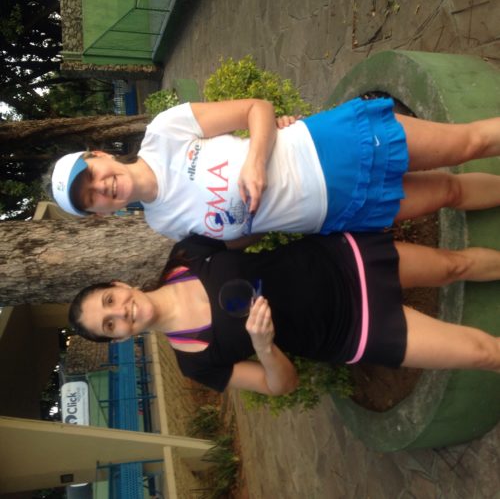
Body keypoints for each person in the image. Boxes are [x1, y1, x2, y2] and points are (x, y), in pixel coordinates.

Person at [69, 232, 500, 394]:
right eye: (110, 325)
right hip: (351, 330)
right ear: (120, 338)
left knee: (455, 265)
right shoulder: (195, 361)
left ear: (119, 285)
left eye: (109, 301)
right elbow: (282, 385)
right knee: (482, 353)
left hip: (342, 262)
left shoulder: (187, 254)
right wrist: (264, 346)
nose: (121, 312)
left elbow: (257, 221)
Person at [51, 97, 500, 247]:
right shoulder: (163, 223)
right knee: (448, 193)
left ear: (100, 155)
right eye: (91, 199)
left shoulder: (164, 132)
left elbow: (257, 109)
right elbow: (240, 237)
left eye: (92, 175)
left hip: (327, 148)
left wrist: (256, 157)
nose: (102, 187)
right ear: (101, 213)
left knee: (469, 143)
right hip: (332, 211)